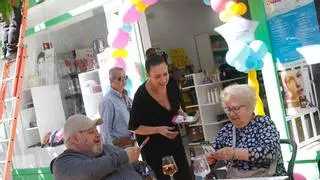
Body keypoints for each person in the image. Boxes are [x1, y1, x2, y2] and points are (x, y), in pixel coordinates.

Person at [128, 55, 192, 180]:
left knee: (185, 175)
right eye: (157, 76)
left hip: (175, 141)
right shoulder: (141, 96)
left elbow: (176, 107)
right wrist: (158, 129)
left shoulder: (172, 84)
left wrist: (182, 114)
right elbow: (134, 127)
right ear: (148, 75)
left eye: (165, 74)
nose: (163, 79)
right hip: (154, 148)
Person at [206, 84, 287, 178]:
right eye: (228, 109)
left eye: (236, 109)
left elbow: (269, 153)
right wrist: (210, 158)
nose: (231, 114)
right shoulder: (226, 131)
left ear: (249, 106)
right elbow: (213, 152)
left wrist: (234, 153)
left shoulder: (263, 124)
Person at [52, 114, 142, 180]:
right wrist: (123, 157)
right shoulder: (62, 164)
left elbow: (136, 166)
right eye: (91, 132)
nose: (98, 134)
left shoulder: (108, 149)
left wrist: (145, 170)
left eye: (97, 130)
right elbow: (86, 172)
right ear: (75, 139)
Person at [99, 67, 134, 148]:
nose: (124, 81)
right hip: (118, 147)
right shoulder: (107, 102)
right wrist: (111, 153)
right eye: (119, 79)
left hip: (131, 143)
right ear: (111, 81)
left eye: (125, 78)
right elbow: (105, 131)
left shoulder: (127, 98)